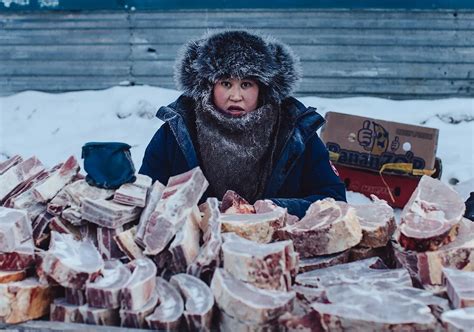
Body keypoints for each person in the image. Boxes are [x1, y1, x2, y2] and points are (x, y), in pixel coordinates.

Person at [139, 30, 346, 218]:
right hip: (192, 248)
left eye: (246, 84)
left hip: (277, 248)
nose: (235, 96)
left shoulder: (296, 132)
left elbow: (333, 200)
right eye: (226, 83)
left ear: (263, 87)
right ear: (208, 85)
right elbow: (145, 196)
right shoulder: (178, 130)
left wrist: (270, 210)